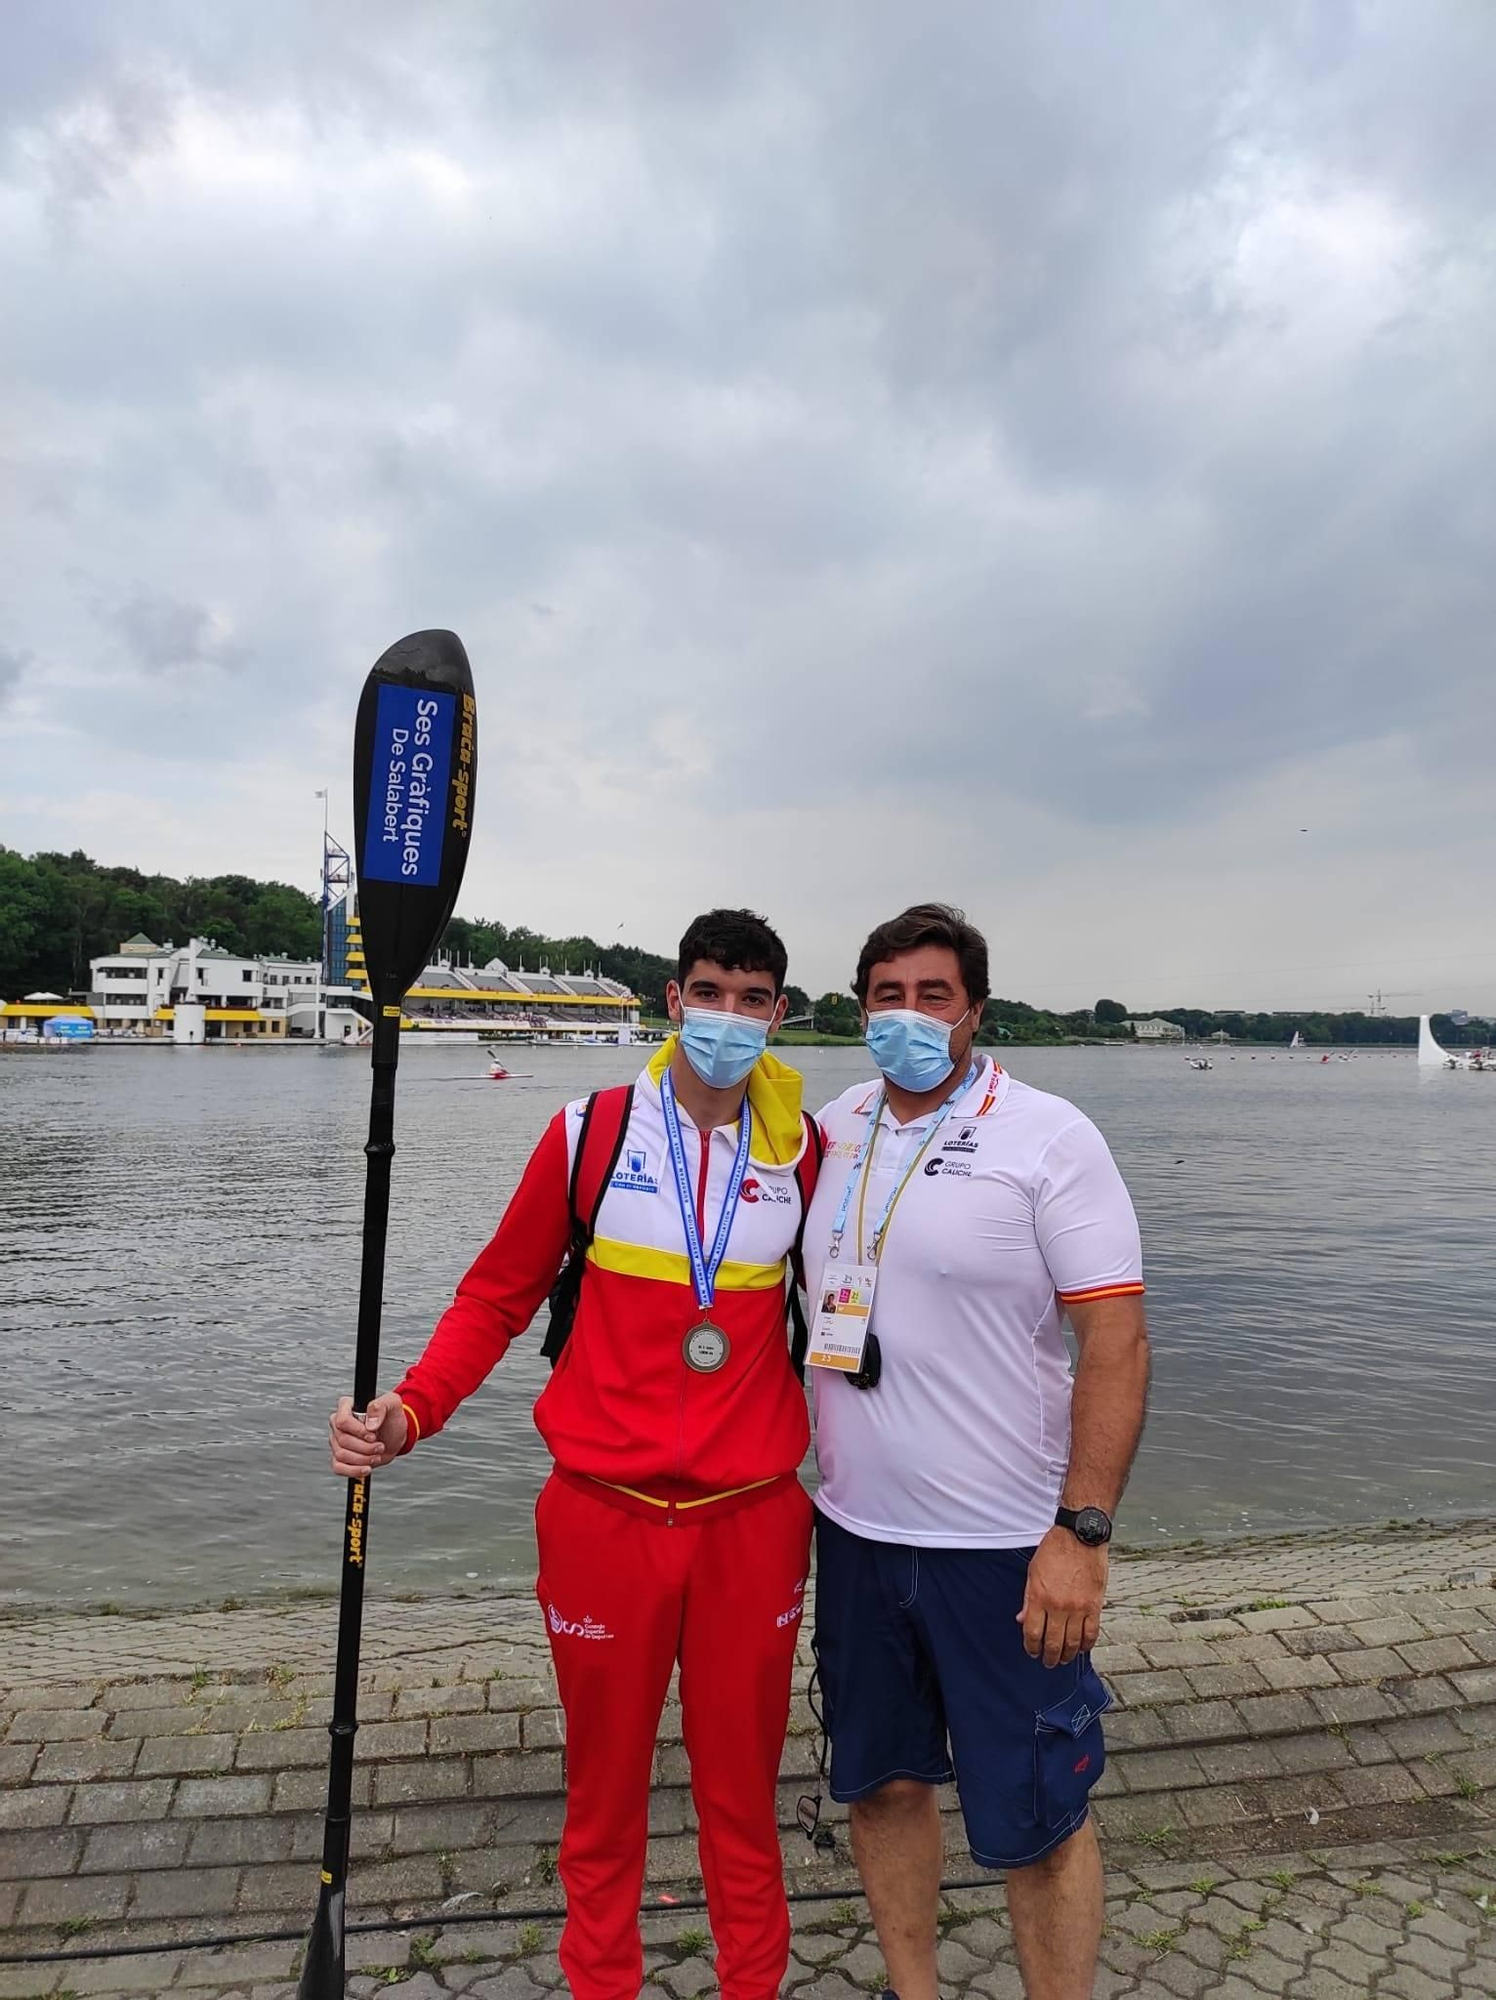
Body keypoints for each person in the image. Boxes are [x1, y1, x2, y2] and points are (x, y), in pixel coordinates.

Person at [327, 909, 819, 2000]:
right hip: (604, 1514)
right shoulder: (588, 1130)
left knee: (744, 1800)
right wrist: (409, 1410)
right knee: (603, 1799)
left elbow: (863, 1317)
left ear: (778, 1013)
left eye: (751, 998)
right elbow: (497, 1294)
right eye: (707, 991)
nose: (726, 1017)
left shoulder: (806, 1150)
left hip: (752, 1519)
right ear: (669, 999)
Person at [801, 904, 1150, 2000]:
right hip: (855, 1535)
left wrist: (1080, 1530)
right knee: (881, 1788)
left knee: (1037, 1820)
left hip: (1005, 1548)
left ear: (973, 1011)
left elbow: (1116, 1340)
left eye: (931, 994)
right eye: (886, 993)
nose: (906, 1014)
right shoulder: (833, 1122)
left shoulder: (1047, 1135)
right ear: (860, 1004)